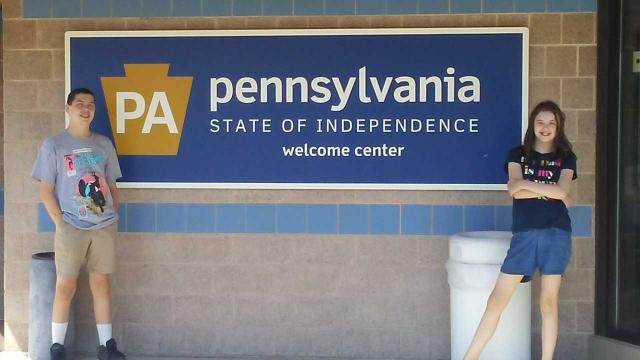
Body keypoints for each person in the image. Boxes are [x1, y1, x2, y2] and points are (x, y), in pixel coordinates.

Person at [463, 100, 578, 360]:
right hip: (524, 234)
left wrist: (529, 187)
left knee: (548, 303)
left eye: (551, 123)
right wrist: (553, 193)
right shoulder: (518, 154)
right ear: (532, 125)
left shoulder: (566, 158)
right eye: (540, 122)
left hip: (556, 232)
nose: (545, 127)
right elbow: (514, 188)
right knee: (496, 301)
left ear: (558, 127)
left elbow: (561, 190)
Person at [31, 88, 126, 360]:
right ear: (68, 108)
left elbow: (112, 185)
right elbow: (45, 188)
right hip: (71, 227)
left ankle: (107, 346)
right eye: (80, 104)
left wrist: (111, 216)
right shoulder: (54, 145)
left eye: (90, 105)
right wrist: (60, 222)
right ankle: (57, 347)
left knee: (102, 285)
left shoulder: (104, 144)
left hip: (102, 227)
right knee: (65, 286)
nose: (86, 109)